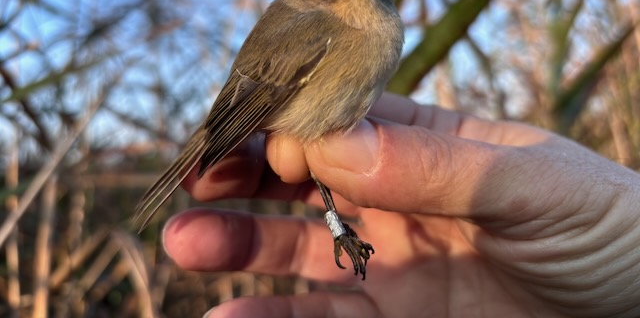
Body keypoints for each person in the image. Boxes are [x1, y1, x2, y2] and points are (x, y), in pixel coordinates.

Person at [162, 92, 640, 318]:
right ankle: (339, 228)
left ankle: (339, 228)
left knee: (314, 161)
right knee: (310, 159)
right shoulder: (316, 26)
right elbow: (258, 92)